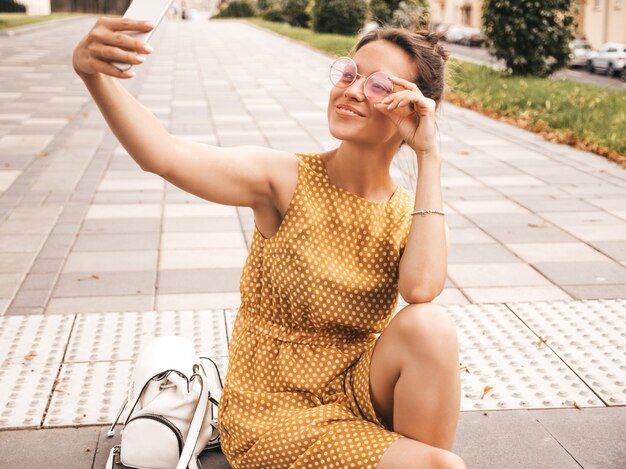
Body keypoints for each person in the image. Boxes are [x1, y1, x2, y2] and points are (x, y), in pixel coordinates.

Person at [72, 16, 465, 469]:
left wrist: (429, 155)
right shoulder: (285, 180)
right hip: (273, 410)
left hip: (355, 389)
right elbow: (162, 154)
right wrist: (93, 75)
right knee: (442, 466)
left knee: (430, 327)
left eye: (379, 87)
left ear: (413, 109)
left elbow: (422, 291)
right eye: (349, 74)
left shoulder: (409, 214)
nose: (352, 91)